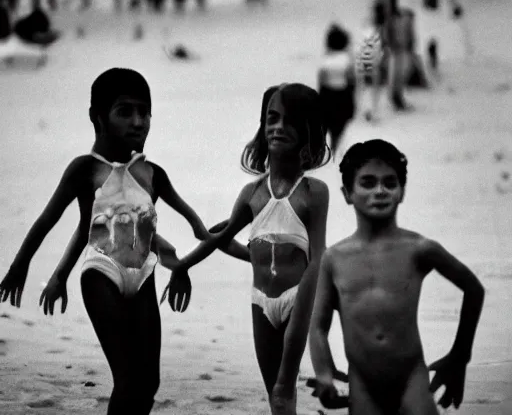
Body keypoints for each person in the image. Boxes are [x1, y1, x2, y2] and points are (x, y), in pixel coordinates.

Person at [0, 68, 210, 414]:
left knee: (149, 382)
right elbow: (49, 221)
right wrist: (23, 267)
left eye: (145, 112)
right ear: (97, 118)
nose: (138, 121)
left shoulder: (152, 173)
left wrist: (185, 267)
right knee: (127, 378)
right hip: (101, 273)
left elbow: (196, 231)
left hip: (144, 276)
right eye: (125, 111)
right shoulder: (85, 169)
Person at [170, 83, 331, 415]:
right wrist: (183, 266)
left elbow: (318, 257)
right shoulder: (252, 193)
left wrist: (308, 304)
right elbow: (220, 236)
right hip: (261, 301)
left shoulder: (313, 192)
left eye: (290, 121)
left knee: (285, 389)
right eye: (272, 118)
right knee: (274, 392)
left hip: (297, 299)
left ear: (308, 132)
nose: (278, 127)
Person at [309, 139, 485, 415]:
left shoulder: (419, 249)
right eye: (367, 183)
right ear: (347, 193)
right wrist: (323, 372)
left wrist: (460, 356)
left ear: (402, 192)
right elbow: (318, 326)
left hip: (411, 379)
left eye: (390, 183)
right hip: (362, 385)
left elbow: (474, 289)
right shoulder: (334, 258)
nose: (380, 191)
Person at [317, 23, 356, 158]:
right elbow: (351, 81)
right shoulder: (347, 60)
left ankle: (327, 147)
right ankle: (335, 146)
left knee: (327, 125)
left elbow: (321, 81)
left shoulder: (325, 60)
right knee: (339, 126)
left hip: (328, 95)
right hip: (343, 96)